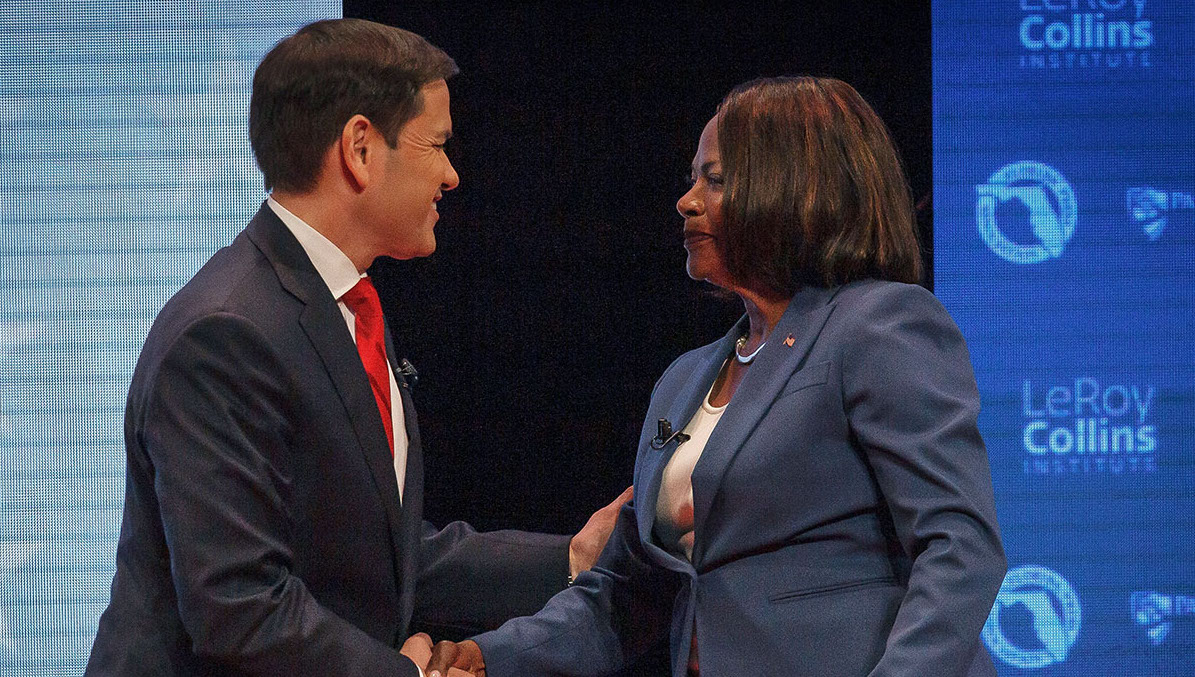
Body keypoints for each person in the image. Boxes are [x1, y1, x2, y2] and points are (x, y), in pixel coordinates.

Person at [85, 19, 628, 677]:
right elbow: (238, 606)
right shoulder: (228, 332)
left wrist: (572, 555)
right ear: (360, 148)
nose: (452, 175)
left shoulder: (337, 306)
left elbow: (378, 556)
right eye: (436, 145)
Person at [426, 76, 1007, 677]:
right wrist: (485, 657)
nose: (687, 200)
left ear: (800, 191)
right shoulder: (686, 378)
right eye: (694, 177)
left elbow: (958, 546)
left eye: (717, 179)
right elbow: (625, 592)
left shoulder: (877, 324)